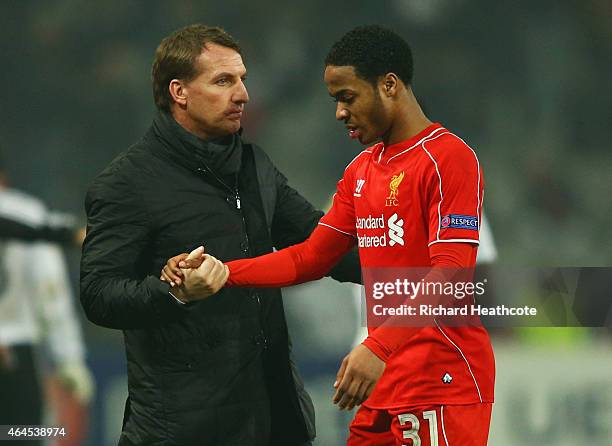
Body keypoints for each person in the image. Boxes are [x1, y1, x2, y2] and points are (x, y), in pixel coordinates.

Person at [164, 25, 495, 445]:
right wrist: (223, 272)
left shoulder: (448, 158)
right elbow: (310, 257)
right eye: (336, 100)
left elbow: (451, 272)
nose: (340, 112)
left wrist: (378, 348)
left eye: (347, 97)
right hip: (384, 382)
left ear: (389, 85)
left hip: (441, 380)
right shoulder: (360, 172)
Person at [80, 24, 360, 446]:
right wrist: (174, 293)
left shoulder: (254, 166)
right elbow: (99, 294)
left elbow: (324, 244)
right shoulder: (127, 183)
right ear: (179, 92)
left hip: (274, 422)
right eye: (223, 81)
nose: (243, 94)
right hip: (181, 430)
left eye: (243, 79)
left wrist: (416, 272)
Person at [0, 163, 93, 446]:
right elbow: (49, 288)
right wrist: (69, 357)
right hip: (17, 351)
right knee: (20, 435)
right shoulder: (27, 210)